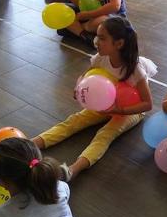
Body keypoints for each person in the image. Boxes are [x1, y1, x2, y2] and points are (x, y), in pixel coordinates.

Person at [32, 17, 155, 181]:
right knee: (75, 120)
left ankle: (72, 170)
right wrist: (79, 87)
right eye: (97, 36)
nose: (96, 41)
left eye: (102, 38)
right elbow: (86, 75)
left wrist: (120, 110)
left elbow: (147, 104)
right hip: (105, 103)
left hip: (130, 110)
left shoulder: (135, 69)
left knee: (104, 134)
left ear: (118, 44)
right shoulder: (100, 57)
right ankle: (31, 144)